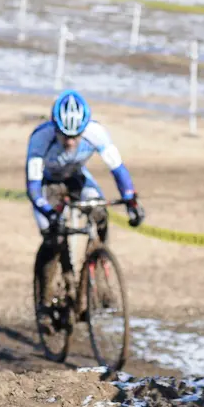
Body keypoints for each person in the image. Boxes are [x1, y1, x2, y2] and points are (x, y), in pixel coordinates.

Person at [26, 90, 144, 317]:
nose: (70, 142)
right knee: (53, 236)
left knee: (99, 211)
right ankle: (44, 300)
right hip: (46, 184)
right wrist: (50, 213)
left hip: (76, 178)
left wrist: (131, 200)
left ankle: (97, 259)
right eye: (64, 135)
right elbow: (32, 188)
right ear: (55, 128)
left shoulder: (96, 133)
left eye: (75, 136)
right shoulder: (40, 138)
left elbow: (118, 170)